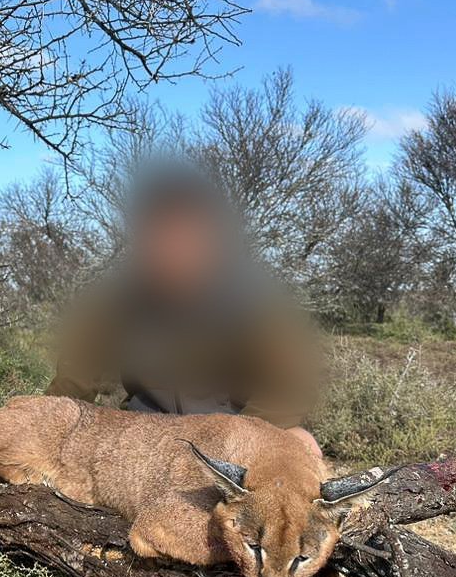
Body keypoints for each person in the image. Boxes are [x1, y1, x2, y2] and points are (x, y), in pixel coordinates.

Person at [46, 160, 324, 458]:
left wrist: (232, 443)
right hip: (145, 432)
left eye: (185, 237)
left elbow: (287, 390)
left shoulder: (251, 303)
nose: (172, 251)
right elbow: (76, 377)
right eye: (160, 237)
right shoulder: (121, 301)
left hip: (231, 439)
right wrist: (43, 423)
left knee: (301, 443)